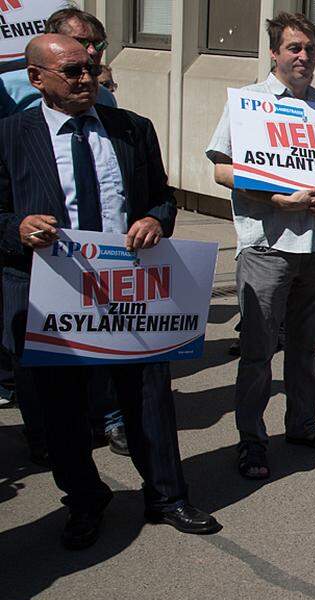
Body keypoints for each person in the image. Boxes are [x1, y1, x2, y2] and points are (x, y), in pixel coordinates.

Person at [0, 34, 221, 548]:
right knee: (63, 412)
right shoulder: (10, 136)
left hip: (131, 292)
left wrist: (153, 220)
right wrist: (18, 228)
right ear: (37, 79)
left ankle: (167, 497)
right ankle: (83, 499)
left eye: (91, 70)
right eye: (72, 72)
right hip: (53, 297)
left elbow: (161, 199)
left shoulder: (131, 129)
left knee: (148, 399)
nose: (86, 80)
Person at [206, 12, 315, 481]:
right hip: (267, 245)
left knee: (306, 350)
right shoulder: (249, 104)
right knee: (258, 351)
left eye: (309, 48)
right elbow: (222, 170)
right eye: (293, 48)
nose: (303, 56)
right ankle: (251, 441)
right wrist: (277, 197)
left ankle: (303, 427)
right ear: (274, 53)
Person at [0, 6, 126, 464]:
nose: (91, 59)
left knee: (107, 343)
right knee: (39, 366)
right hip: (34, 265)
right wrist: (18, 228)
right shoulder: (11, 103)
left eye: (97, 48)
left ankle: (111, 417)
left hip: (102, 259)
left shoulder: (109, 108)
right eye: (80, 48)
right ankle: (46, 439)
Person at [0, 7, 117, 118]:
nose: (92, 51)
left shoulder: (105, 97)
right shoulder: (8, 88)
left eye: (98, 44)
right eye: (81, 42)